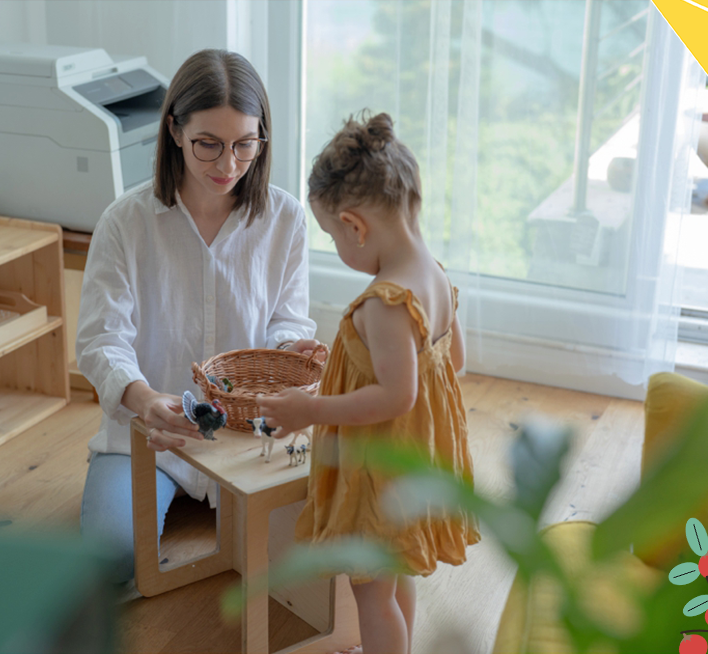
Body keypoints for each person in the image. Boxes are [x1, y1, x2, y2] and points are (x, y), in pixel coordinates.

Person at [76, 49, 321, 586]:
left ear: (261, 138)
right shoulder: (126, 222)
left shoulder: (284, 218)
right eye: (208, 144)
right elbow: (100, 341)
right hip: (151, 437)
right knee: (111, 561)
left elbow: (287, 320)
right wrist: (143, 400)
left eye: (244, 145)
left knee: (313, 561)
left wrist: (288, 355)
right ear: (174, 132)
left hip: (249, 434)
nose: (228, 165)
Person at [257, 112, 480, 654]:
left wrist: (309, 411)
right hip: (417, 457)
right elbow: (453, 364)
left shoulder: (384, 302)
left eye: (334, 235)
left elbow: (396, 394)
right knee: (393, 572)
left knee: (370, 595)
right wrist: (352, 361)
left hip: (379, 468)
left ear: (355, 225)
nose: (339, 246)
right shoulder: (436, 276)